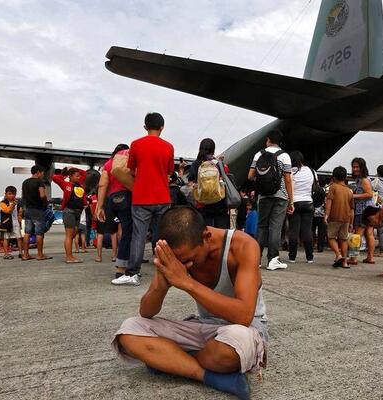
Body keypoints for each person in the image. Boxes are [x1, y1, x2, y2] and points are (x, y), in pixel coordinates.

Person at [112, 207, 267, 400]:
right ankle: (207, 375)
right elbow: (146, 312)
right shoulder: (176, 254)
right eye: (180, 260)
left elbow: (244, 316)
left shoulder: (243, 246)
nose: (186, 264)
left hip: (244, 329)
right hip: (205, 327)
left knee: (234, 346)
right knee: (128, 331)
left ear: (206, 236)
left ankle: (170, 361)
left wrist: (187, 283)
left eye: (190, 259)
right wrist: (162, 284)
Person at [113, 112, 174, 286]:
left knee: (138, 236)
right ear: (162, 127)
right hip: (162, 196)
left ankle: (133, 273)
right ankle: (167, 270)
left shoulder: (136, 144)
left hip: (141, 197)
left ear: (145, 127)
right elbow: (169, 171)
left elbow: (131, 169)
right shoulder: (169, 147)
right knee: (162, 236)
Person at [247, 129, 293, 271]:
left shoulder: (259, 154)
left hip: (264, 196)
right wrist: (291, 200)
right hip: (280, 196)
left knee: (261, 226)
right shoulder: (285, 156)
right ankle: (273, 259)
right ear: (280, 142)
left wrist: (261, 183)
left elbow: (250, 176)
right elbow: (288, 179)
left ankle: (256, 258)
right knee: (275, 227)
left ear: (268, 139)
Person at [96, 144, 132, 280]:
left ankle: (123, 260)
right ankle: (122, 267)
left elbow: (102, 184)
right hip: (126, 198)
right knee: (128, 233)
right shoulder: (127, 161)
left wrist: (99, 207)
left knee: (118, 230)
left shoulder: (108, 163)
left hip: (112, 200)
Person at [188, 138, 229, 228]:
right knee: (220, 233)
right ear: (213, 150)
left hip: (202, 204)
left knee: (205, 232)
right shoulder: (218, 163)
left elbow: (191, 182)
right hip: (219, 203)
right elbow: (226, 177)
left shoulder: (196, 164)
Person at [53, 167, 87, 263]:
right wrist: (65, 173)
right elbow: (55, 178)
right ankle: (69, 257)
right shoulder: (66, 184)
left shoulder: (80, 184)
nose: (79, 177)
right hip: (69, 211)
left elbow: (84, 173)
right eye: (76, 176)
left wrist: (74, 168)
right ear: (70, 176)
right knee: (69, 235)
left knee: (73, 233)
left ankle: (70, 254)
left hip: (78, 212)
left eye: (79, 176)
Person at [287, 151, 315, 264]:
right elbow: (314, 186)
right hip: (308, 202)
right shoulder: (311, 171)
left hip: (295, 203)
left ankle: (292, 257)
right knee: (307, 231)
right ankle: (309, 257)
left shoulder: (290, 172)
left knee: (293, 231)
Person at [324, 167, 354, 268]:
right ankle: (344, 262)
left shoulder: (333, 187)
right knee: (344, 239)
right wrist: (351, 222)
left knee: (331, 237)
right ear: (345, 177)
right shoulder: (349, 191)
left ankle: (338, 254)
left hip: (334, 216)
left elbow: (329, 201)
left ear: (334, 177)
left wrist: (326, 215)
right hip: (346, 218)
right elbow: (352, 208)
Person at [22, 165, 51, 261]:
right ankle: (40, 254)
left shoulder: (25, 182)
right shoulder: (39, 182)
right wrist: (46, 202)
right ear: (38, 172)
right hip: (38, 210)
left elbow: (23, 196)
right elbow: (42, 195)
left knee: (27, 232)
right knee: (39, 233)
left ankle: (25, 255)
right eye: (42, 173)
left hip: (28, 209)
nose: (43, 175)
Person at [350, 157, 375, 265]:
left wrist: (353, 195)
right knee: (369, 233)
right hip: (369, 209)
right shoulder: (363, 179)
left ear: (362, 167)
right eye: (353, 167)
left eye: (357, 167)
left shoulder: (363, 180)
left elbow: (369, 194)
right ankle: (370, 257)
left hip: (363, 209)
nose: (355, 169)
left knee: (357, 234)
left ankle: (353, 258)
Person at [0, 186, 23, 259]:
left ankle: (21, 252)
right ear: (5, 194)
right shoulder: (3, 203)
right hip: (6, 223)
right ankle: (6, 254)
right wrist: (13, 204)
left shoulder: (18, 203)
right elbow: (8, 211)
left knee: (19, 238)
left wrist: (20, 222)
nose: (12, 196)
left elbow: (20, 213)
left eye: (14, 194)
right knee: (6, 238)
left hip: (16, 222)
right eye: (10, 194)